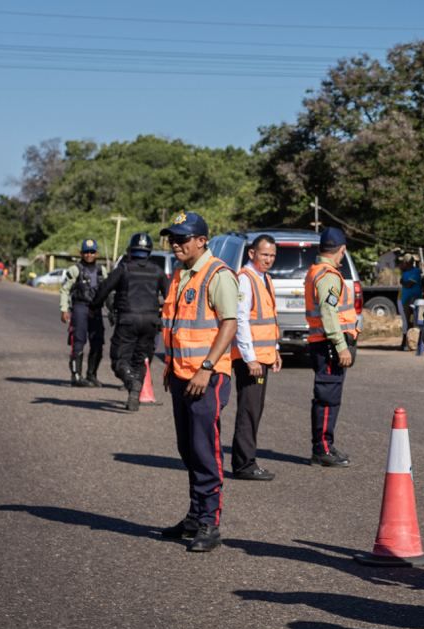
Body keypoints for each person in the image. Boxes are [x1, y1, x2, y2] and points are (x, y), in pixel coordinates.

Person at [157, 212, 239, 553]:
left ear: (202, 240)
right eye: (173, 238)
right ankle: (194, 515)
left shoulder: (218, 274)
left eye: (183, 238)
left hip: (206, 376)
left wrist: (206, 367)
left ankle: (209, 522)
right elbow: (178, 325)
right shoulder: (181, 274)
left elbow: (229, 325)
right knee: (188, 448)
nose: (176, 244)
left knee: (205, 449)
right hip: (180, 375)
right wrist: (169, 367)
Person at [91, 232, 169, 411]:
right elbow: (170, 296)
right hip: (151, 322)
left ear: (131, 251)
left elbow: (104, 289)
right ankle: (134, 395)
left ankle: (132, 382)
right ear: (149, 251)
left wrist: (94, 306)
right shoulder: (158, 271)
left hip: (128, 320)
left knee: (119, 359)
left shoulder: (124, 269)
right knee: (141, 359)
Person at [305, 227, 358, 468]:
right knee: (328, 397)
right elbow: (329, 312)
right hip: (329, 345)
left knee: (328, 396)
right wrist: (341, 346)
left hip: (324, 343)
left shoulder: (317, 271)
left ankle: (324, 445)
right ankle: (322, 448)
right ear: (342, 250)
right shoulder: (327, 275)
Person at [230, 234, 282, 481]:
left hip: (263, 356)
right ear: (252, 254)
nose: (269, 260)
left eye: (272, 255)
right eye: (264, 255)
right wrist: (250, 358)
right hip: (249, 359)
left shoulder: (265, 279)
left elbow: (268, 319)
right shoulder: (245, 279)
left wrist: (275, 350)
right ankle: (244, 464)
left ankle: (246, 460)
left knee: (255, 409)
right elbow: (240, 320)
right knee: (248, 410)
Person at [59, 238, 108, 388]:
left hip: (96, 309)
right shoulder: (75, 270)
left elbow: (107, 290)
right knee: (78, 341)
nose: (89, 255)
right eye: (86, 252)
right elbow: (65, 290)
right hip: (80, 308)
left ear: (96, 253)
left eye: (92, 252)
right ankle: (76, 376)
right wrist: (64, 309)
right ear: (81, 253)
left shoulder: (102, 270)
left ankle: (92, 375)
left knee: (98, 343)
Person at [397, 254, 423, 350]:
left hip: (412, 300)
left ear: (407, 262)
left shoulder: (416, 272)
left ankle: (411, 343)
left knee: (413, 322)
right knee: (406, 321)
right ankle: (407, 343)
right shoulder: (405, 272)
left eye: (403, 262)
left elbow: (409, 284)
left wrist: (402, 282)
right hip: (405, 300)